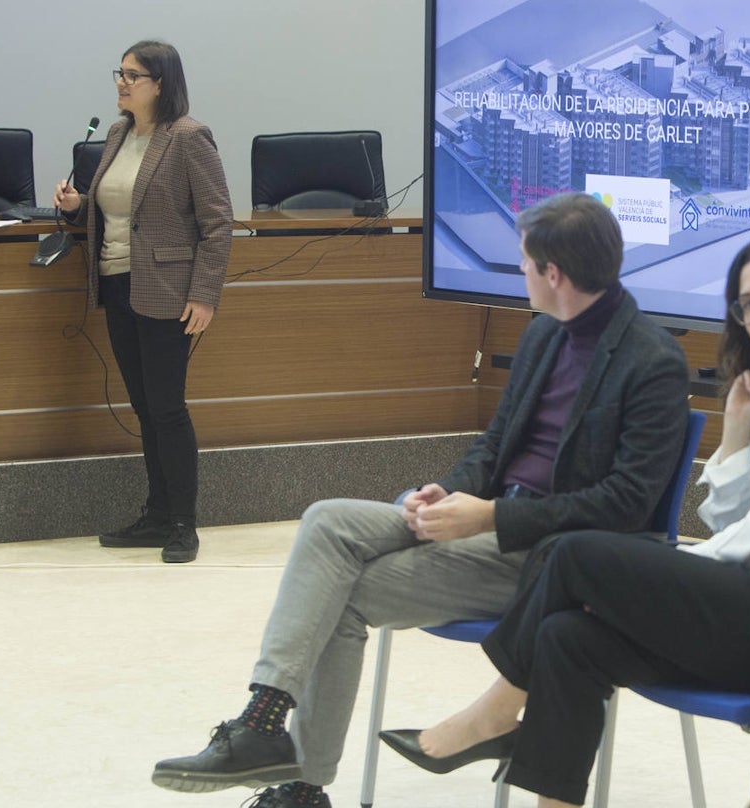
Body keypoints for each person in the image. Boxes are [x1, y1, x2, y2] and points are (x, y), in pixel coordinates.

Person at [150, 192, 690, 808]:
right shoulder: (545, 334)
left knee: (339, 595)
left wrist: (490, 516)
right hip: (488, 522)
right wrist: (450, 493)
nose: (519, 272)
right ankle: (264, 722)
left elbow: (626, 505)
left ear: (554, 274)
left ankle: (301, 785)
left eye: (524, 262)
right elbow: (495, 445)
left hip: (551, 561)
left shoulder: (653, 360)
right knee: (327, 521)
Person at [379, 233, 750, 808]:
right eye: (748, 303)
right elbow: (746, 520)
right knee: (569, 638)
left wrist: (681, 562)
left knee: (574, 552)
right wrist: (737, 429)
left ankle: (491, 713)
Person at [53, 40, 233, 564]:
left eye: (133, 75)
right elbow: (122, 208)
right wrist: (78, 204)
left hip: (169, 293)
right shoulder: (117, 133)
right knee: (143, 408)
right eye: (120, 73)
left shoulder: (188, 138)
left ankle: (183, 524)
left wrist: (204, 295)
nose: (121, 83)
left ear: (161, 84)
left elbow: (217, 224)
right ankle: (156, 515)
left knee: (167, 408)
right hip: (117, 285)